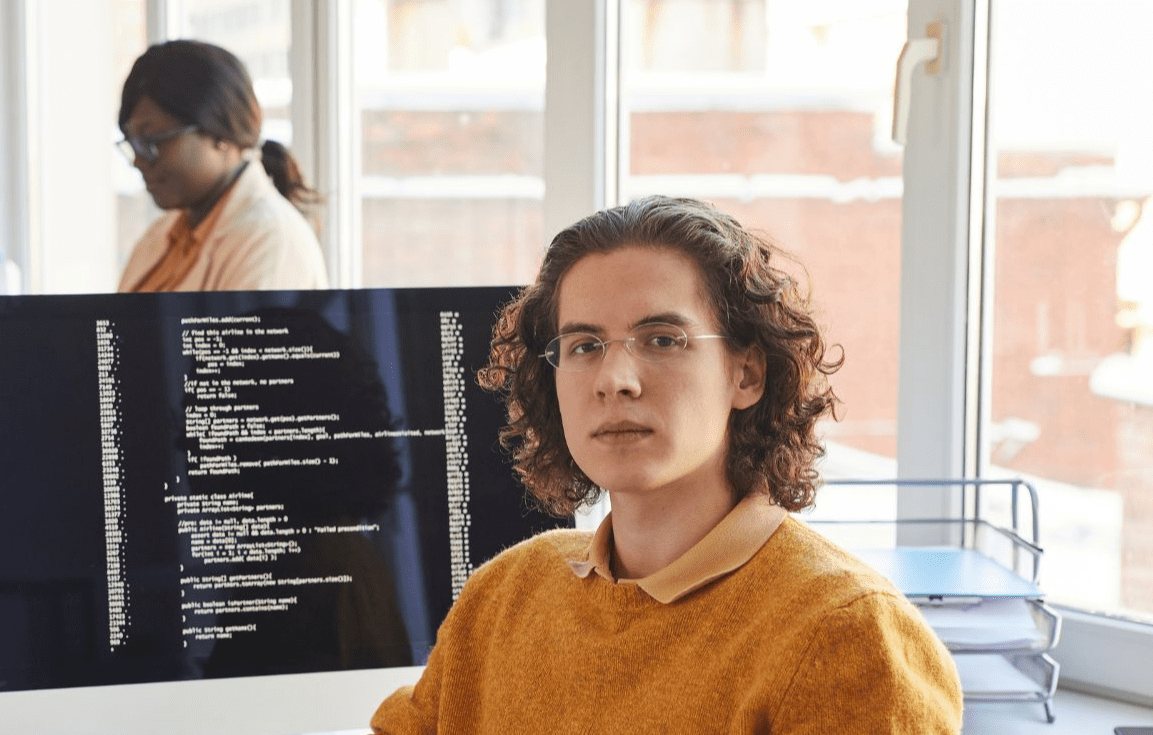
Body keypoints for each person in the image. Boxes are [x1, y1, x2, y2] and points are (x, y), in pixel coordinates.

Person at [369, 197, 963, 733]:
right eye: (583, 346)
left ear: (747, 373)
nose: (615, 381)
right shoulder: (505, 595)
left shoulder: (845, 633)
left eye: (661, 340)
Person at [117, 40, 327, 292]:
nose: (138, 162)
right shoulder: (162, 236)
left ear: (220, 133)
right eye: (134, 144)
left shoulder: (270, 243)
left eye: (151, 142)